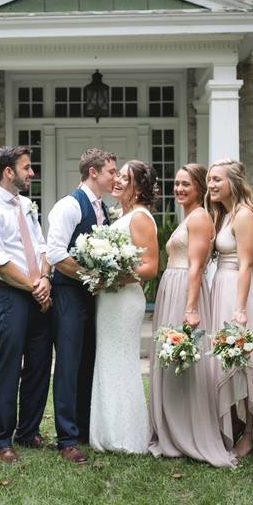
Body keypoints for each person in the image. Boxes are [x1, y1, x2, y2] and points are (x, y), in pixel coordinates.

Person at [149, 164, 237, 468]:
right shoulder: (190, 217)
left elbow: (197, 266)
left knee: (186, 360)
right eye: (176, 184)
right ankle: (173, 428)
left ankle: (189, 432)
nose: (179, 189)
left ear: (199, 188)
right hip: (173, 287)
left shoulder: (199, 218)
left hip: (186, 290)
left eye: (186, 184)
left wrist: (190, 308)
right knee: (173, 359)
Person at [0, 146, 53, 464]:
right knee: (8, 367)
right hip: (10, 295)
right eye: (26, 167)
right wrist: (35, 287)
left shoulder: (25, 205)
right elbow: (0, 263)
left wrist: (45, 279)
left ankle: (29, 431)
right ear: (9, 172)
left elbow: (42, 246)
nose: (31, 173)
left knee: (40, 363)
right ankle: (2, 439)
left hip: (38, 292)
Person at [46, 148, 117, 464]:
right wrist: (90, 276)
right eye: (111, 172)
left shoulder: (102, 208)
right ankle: (66, 439)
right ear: (93, 172)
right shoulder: (69, 206)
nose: (114, 177)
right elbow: (56, 254)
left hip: (91, 296)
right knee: (69, 364)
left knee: (88, 359)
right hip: (69, 296)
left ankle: (84, 427)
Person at [89, 160, 158, 454]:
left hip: (124, 298)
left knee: (121, 363)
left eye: (125, 177)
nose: (117, 180)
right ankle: (107, 432)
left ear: (139, 187)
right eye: (117, 175)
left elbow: (151, 267)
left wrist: (110, 276)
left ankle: (126, 437)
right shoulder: (122, 214)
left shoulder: (140, 218)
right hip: (110, 298)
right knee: (107, 361)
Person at [206, 158, 253, 458]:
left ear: (233, 181)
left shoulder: (245, 215)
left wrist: (240, 308)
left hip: (238, 292)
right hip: (221, 287)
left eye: (217, 179)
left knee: (246, 363)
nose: (211, 185)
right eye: (209, 180)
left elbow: (247, 264)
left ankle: (252, 433)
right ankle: (233, 424)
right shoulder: (225, 214)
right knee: (225, 360)